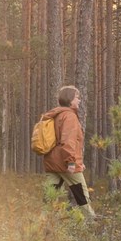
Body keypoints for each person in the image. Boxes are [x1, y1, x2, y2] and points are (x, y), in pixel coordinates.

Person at [38, 85, 93, 215]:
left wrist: (78, 160)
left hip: (52, 162)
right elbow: (68, 142)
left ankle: (41, 228)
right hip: (65, 163)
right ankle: (92, 224)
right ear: (70, 100)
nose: (79, 100)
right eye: (77, 97)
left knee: (49, 198)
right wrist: (71, 162)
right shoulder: (69, 116)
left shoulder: (55, 115)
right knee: (82, 196)